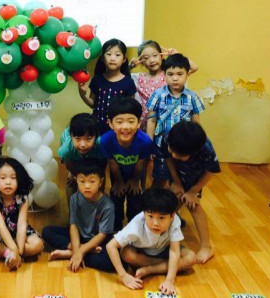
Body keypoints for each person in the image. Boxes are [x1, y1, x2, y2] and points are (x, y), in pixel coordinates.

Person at [106, 187, 196, 294]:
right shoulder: (136, 225)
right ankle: (167, 265)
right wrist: (123, 275)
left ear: (172, 216)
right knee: (127, 254)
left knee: (191, 257)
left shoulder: (175, 220)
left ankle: (150, 270)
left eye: (161, 218)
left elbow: (174, 251)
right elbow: (110, 246)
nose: (155, 223)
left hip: (164, 250)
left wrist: (169, 281)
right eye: (150, 216)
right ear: (144, 213)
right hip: (142, 252)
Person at [0, 157, 44, 270]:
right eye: (3, 178)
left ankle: (0, 253)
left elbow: (21, 225)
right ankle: (7, 253)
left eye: (13, 178)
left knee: (38, 244)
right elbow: (1, 226)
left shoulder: (23, 198)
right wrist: (13, 249)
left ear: (19, 179)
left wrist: (19, 251)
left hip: (18, 233)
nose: (8, 182)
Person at [43, 159, 115, 272]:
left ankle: (70, 253)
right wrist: (78, 250)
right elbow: (73, 226)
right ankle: (81, 252)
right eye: (82, 181)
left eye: (92, 181)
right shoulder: (75, 198)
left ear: (100, 182)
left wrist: (80, 251)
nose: (87, 186)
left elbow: (102, 235)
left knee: (109, 262)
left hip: (97, 241)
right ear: (76, 180)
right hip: (79, 237)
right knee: (47, 231)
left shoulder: (107, 205)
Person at [164, 121, 220, 264]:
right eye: (172, 150)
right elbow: (169, 159)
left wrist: (193, 191)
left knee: (192, 205)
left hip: (195, 176)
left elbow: (211, 170)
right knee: (172, 200)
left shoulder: (206, 149)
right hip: (176, 173)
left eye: (180, 155)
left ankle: (206, 247)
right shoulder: (168, 138)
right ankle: (162, 235)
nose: (174, 155)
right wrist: (176, 182)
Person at [146, 53, 205, 188]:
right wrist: (149, 144)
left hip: (183, 146)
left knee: (180, 179)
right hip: (161, 146)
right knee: (160, 178)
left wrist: (196, 145)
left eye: (180, 74)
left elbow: (195, 124)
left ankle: (174, 200)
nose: (175, 78)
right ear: (164, 75)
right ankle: (156, 200)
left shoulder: (192, 97)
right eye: (170, 74)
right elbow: (151, 120)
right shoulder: (157, 95)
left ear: (187, 75)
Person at [101, 97, 154, 231]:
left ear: (139, 123)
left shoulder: (145, 141)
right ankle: (115, 230)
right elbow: (112, 163)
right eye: (119, 122)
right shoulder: (106, 140)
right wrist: (119, 182)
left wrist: (135, 180)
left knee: (136, 201)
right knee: (116, 199)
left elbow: (142, 163)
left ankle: (134, 229)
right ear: (111, 124)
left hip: (137, 173)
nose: (125, 127)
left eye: (131, 121)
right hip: (117, 174)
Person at [129, 40, 198, 132]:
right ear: (141, 62)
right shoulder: (137, 78)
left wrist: (178, 55)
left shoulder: (169, 74)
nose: (152, 60)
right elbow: (120, 77)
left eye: (155, 55)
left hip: (167, 124)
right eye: (146, 58)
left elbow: (194, 67)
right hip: (146, 124)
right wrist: (130, 67)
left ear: (161, 56)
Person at [78, 38, 136, 135]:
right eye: (109, 54)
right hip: (97, 130)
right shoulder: (97, 79)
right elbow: (93, 104)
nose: (112, 58)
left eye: (117, 55)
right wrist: (82, 94)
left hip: (119, 132)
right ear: (102, 58)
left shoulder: (128, 82)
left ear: (124, 59)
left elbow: (132, 109)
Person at [57, 113, 106, 204]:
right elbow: (67, 163)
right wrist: (73, 173)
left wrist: (98, 177)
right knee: (71, 182)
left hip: (94, 158)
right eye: (77, 139)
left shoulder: (100, 145)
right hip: (73, 159)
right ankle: (72, 209)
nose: (82, 145)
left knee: (99, 179)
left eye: (88, 139)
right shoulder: (66, 149)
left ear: (96, 137)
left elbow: (103, 165)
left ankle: (99, 205)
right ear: (71, 137)